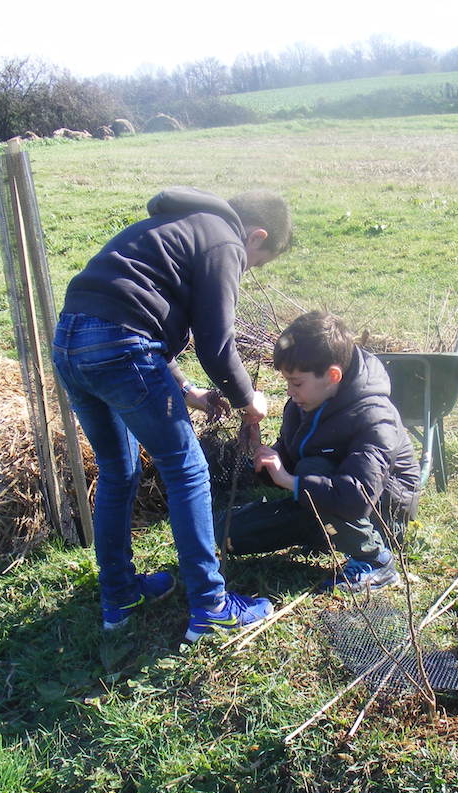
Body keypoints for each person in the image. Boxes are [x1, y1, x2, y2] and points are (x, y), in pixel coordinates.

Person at [52, 186, 292, 640]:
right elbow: (217, 346)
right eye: (256, 263)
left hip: (70, 342)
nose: (248, 268)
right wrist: (248, 400)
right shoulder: (223, 238)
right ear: (256, 236)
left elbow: (131, 315)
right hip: (120, 347)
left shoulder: (173, 228)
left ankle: (119, 595)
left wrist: (188, 391)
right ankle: (211, 605)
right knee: (187, 471)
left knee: (118, 473)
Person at [223, 310, 421, 592]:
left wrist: (290, 481)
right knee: (228, 533)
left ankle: (376, 561)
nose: (290, 391)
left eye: (296, 382)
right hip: (323, 501)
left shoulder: (375, 416)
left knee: (310, 469)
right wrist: (260, 453)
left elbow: (356, 498)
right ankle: (326, 533)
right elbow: (289, 461)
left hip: (380, 515)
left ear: (332, 375)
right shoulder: (304, 403)